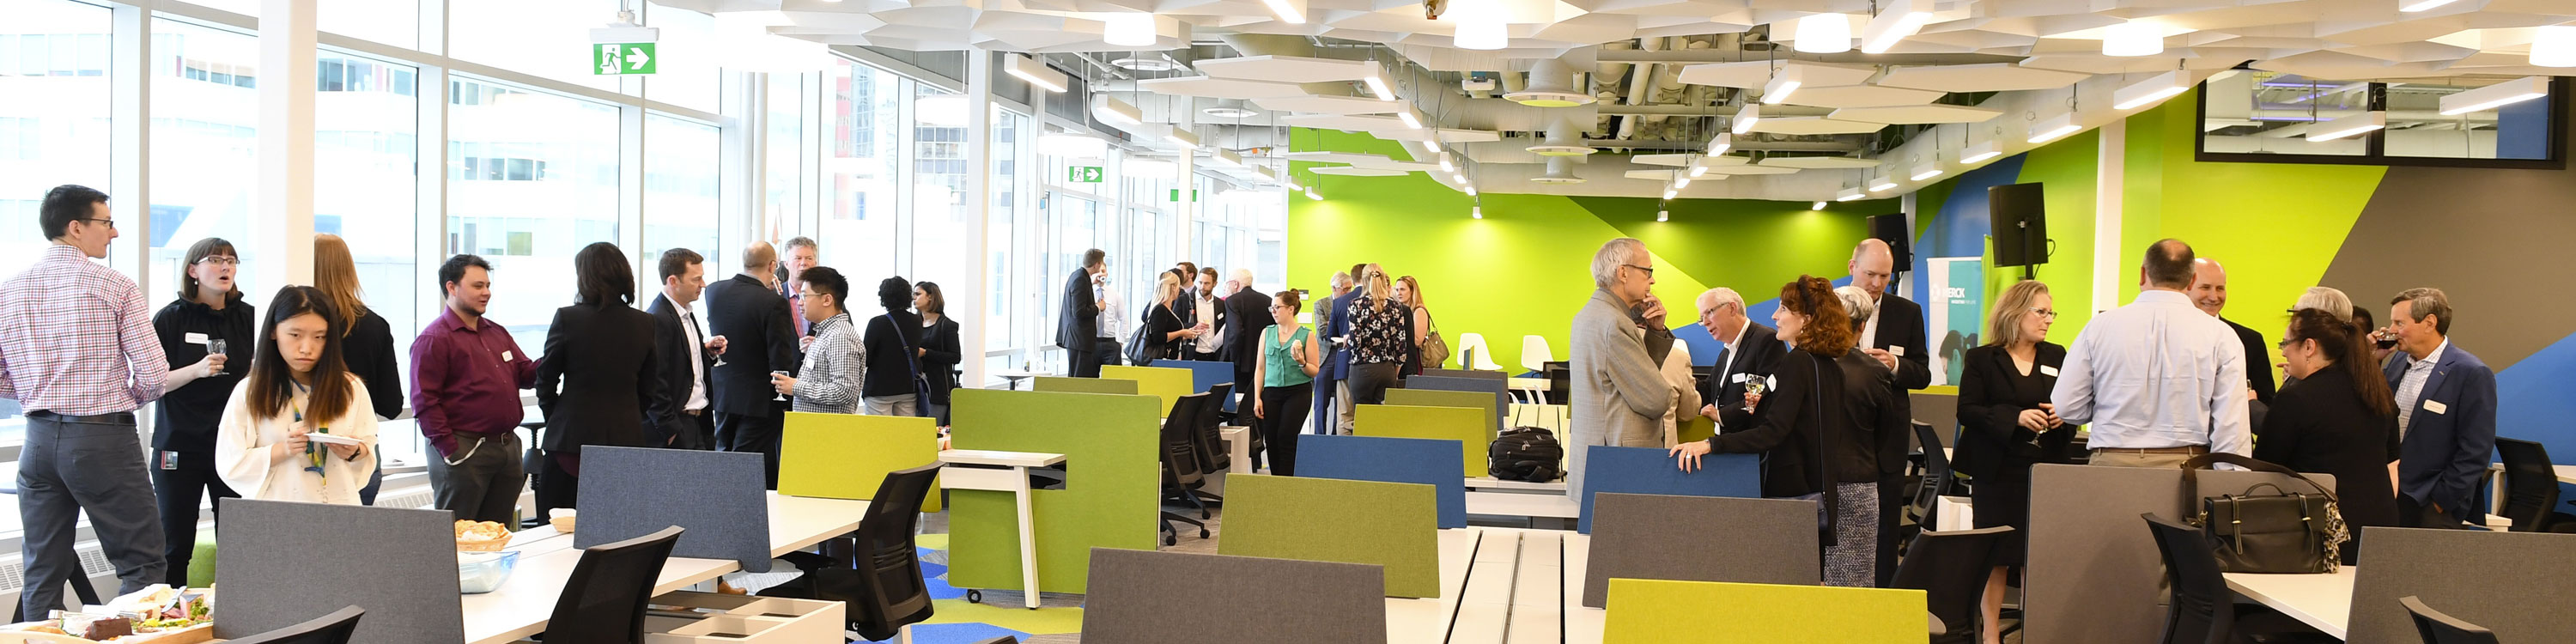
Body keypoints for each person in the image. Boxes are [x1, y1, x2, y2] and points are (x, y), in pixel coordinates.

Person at [0, 185, 173, 616]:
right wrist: (117, 400)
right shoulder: (113, 285)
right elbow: (154, 376)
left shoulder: (9, 290)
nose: (114, 233)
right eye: (107, 222)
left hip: (37, 442)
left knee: (43, 570)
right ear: (76, 227)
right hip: (101, 439)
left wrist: (41, 392)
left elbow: (3, 377)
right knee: (142, 563)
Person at [1672, 276, 1900, 587]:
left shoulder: (1797, 362)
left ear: (1806, 319)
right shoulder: (1828, 367)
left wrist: (1712, 445)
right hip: (1822, 494)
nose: (1775, 315)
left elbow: (1773, 431)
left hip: (1795, 496)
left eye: (1783, 309)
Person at [2051, 240, 2251, 467]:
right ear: (2192, 280)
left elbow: (2067, 406)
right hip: (2188, 466)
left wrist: (2105, 411)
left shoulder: (2099, 327)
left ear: (2142, 274)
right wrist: (2227, 480)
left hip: (2111, 462)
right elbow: (2231, 426)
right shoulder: (2222, 335)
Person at [1953, 280, 2073, 641]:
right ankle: (1991, 633)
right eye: (2041, 312)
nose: (2048, 319)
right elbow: (1967, 410)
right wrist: (2015, 417)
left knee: (2038, 553)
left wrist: (2063, 416)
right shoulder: (1982, 359)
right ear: (2016, 313)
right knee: (1996, 553)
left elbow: (2074, 405)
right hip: (1997, 471)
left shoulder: (2057, 356)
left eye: (2051, 313)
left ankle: (2034, 629)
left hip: (2044, 470)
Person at [214, 286, 378, 505]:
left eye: (319, 337)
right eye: (295, 335)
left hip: (339, 507)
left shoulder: (351, 388)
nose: (306, 348)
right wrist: (283, 450)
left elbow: (367, 449)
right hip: (276, 509)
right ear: (273, 332)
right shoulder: (250, 391)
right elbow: (230, 463)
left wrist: (355, 452)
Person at [2258, 307, 2399, 564]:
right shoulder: (2376, 392)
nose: (2284, 351)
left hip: (2322, 531)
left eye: (2286, 343)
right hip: (2379, 526)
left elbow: (2265, 468)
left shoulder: (2296, 399)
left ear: (2309, 347)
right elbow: (2392, 458)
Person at [149, 238, 252, 586]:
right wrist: (196, 370)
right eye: (215, 259)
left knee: (240, 544)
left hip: (234, 447)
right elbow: (152, 383)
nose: (226, 267)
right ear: (193, 270)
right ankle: (170, 612)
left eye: (231, 260)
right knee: (174, 545)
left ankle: (238, 611)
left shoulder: (249, 317)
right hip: (179, 445)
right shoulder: (170, 319)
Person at [532, 243, 663, 515]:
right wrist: (628, 414)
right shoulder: (645, 322)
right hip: (625, 438)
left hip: (570, 440)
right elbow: (649, 388)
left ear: (585, 276)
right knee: (617, 522)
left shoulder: (568, 318)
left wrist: (556, 416)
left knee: (559, 525)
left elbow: (545, 379)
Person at [410, 254, 538, 525]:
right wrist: (450, 451)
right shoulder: (434, 339)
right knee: (459, 536)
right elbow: (424, 402)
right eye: (478, 286)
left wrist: (559, 353)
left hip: (506, 447)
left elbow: (526, 375)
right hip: (465, 450)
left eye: (488, 285)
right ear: (452, 288)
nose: (487, 293)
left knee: (496, 534)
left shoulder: (496, 332)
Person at [1569, 240, 1674, 501]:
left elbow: (1631, 380)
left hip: (1600, 457)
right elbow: (1656, 398)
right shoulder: (1615, 323)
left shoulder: (1590, 315)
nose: (1652, 281)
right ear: (1623, 272)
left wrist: (1655, 333)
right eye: (1647, 271)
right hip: (1619, 464)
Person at [2381, 288, 2496, 525]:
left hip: (2427, 502)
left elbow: (2476, 449)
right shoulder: (2397, 361)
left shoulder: (2471, 373)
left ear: (2429, 323)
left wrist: (2441, 501)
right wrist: (2372, 360)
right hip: (2389, 492)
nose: (2391, 330)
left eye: (2399, 323)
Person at [315, 234, 403, 504]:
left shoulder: (295, 327)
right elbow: (392, 404)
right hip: (360, 451)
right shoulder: (375, 325)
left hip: (308, 454)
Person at [708, 241, 800, 488]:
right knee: (748, 465)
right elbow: (780, 355)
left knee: (723, 456)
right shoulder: (773, 302)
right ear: (772, 266)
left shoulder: (714, 291)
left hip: (723, 393)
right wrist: (787, 397)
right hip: (761, 398)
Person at [647, 248, 726, 451]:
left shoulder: (685, 312)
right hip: (677, 424)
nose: (703, 285)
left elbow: (681, 361)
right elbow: (654, 379)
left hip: (698, 422)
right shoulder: (658, 318)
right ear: (673, 281)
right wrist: (669, 428)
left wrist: (706, 352)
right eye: (696, 279)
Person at [773, 267, 866, 416]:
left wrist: (796, 386)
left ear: (827, 300)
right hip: (815, 426)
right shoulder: (826, 332)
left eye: (805, 296)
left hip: (827, 428)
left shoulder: (840, 336)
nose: (800, 302)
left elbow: (845, 391)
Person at [1695, 287, 1786, 433]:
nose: (1705, 322)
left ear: (1732, 308)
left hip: (1750, 441)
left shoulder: (1765, 340)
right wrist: (1681, 375)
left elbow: (1763, 397)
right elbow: (1708, 392)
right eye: (1701, 318)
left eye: (1709, 312)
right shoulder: (1726, 352)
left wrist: (1721, 415)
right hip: (1723, 439)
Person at [1251, 290, 1320, 476]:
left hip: (1298, 392)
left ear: (1290, 309)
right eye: (1271, 308)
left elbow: (1314, 370)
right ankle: (1277, 480)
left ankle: (1287, 481)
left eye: (1277, 307)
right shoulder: (1267, 333)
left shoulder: (1306, 335)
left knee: (1286, 437)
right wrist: (1257, 397)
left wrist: (1302, 362)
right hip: (1271, 392)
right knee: (1271, 439)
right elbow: (1260, 368)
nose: (1273, 311)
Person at [2191, 258, 2275, 405]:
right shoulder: (2168, 336)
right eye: (2205, 287)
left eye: (2220, 288)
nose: (2214, 297)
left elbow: (2266, 403)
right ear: (2186, 288)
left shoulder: (2250, 341)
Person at [1850, 239, 1930, 390]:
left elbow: (1923, 375)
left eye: (1884, 276)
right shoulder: (1829, 307)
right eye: (1870, 274)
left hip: (1889, 403)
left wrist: (1895, 364)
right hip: (1839, 403)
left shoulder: (1908, 312)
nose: (1877, 284)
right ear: (1852, 267)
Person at [1344, 264, 1414, 412]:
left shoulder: (1356, 305)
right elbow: (1401, 345)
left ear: (1364, 281)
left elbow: (1355, 342)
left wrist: (1347, 339)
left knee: (1363, 417)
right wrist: (1394, 371)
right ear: (1383, 281)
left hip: (1362, 369)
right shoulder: (1396, 307)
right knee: (1382, 418)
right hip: (1387, 369)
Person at [858, 277, 926, 416]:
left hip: (880, 389)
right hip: (907, 387)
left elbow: (866, 358)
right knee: (904, 429)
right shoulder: (917, 321)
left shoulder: (877, 323)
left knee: (879, 429)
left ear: (884, 297)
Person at [1644, 297, 1700, 447]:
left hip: (1611, 450)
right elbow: (1688, 413)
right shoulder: (1678, 356)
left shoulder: (1604, 348)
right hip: (1662, 448)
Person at [1309, 271, 1353, 434]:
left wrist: (1332, 324)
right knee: (1321, 401)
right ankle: (1319, 436)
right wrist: (1336, 326)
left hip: (1344, 354)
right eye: (1345, 289)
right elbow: (1322, 331)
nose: (1348, 292)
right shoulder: (1321, 304)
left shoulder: (1353, 303)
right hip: (1326, 355)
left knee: (1342, 401)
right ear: (1334, 288)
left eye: (1350, 288)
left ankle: (1335, 436)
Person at [1223, 269, 1273, 411]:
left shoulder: (1232, 301)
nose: (1227, 287)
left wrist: (1232, 358)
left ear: (1236, 284)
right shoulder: (1267, 300)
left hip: (1240, 363)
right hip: (1263, 360)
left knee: (1239, 407)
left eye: (1228, 283)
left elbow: (1236, 333)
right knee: (1257, 402)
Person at [914, 282, 963, 426]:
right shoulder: (914, 323)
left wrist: (926, 353)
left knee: (933, 430)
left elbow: (955, 356)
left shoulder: (947, 325)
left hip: (937, 387)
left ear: (930, 297)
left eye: (918, 294)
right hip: (914, 387)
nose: (914, 298)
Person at [1056, 249, 1106, 377]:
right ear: (1096, 264)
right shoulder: (1081, 280)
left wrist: (1091, 284)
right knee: (1080, 379)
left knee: (1077, 378)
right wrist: (1098, 307)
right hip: (1079, 340)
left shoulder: (1079, 276)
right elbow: (1079, 312)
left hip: (1076, 339)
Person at [1145, 272, 1199, 362]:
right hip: (1163, 359)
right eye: (1178, 286)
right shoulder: (1160, 309)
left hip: (1170, 357)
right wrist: (1181, 332)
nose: (1180, 290)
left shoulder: (1167, 308)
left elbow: (1169, 335)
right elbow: (1158, 337)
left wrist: (1186, 334)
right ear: (1173, 288)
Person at [781, 237, 820, 339]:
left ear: (815, 263)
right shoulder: (775, 296)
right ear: (786, 264)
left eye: (809, 258)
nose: (803, 263)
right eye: (798, 258)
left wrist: (818, 344)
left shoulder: (827, 296)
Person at [1395, 276, 1436, 375]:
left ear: (1412, 291)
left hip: (1415, 361)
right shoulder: (1401, 311)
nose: (1399, 293)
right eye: (1397, 290)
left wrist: (1398, 336)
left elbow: (1417, 340)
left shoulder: (1419, 311)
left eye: (1402, 289)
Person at [1189, 268, 1225, 362]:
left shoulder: (1221, 304)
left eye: (1206, 283)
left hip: (1214, 354)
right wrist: (1194, 326)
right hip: (1192, 353)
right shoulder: (1185, 300)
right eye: (1200, 282)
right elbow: (1177, 325)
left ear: (1215, 284)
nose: (1202, 287)